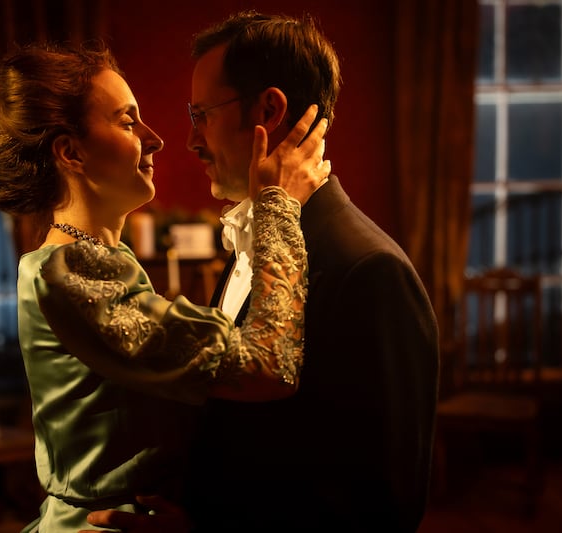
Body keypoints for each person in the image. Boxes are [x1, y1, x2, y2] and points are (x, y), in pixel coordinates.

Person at [85, 10, 440, 533]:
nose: (191, 140)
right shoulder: (253, 237)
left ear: (269, 111)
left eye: (201, 114)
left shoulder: (371, 270)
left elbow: (385, 507)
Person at [0, 42, 329, 532]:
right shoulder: (70, 272)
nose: (155, 139)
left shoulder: (97, 259)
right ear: (71, 152)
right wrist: (278, 205)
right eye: (128, 122)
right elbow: (268, 366)